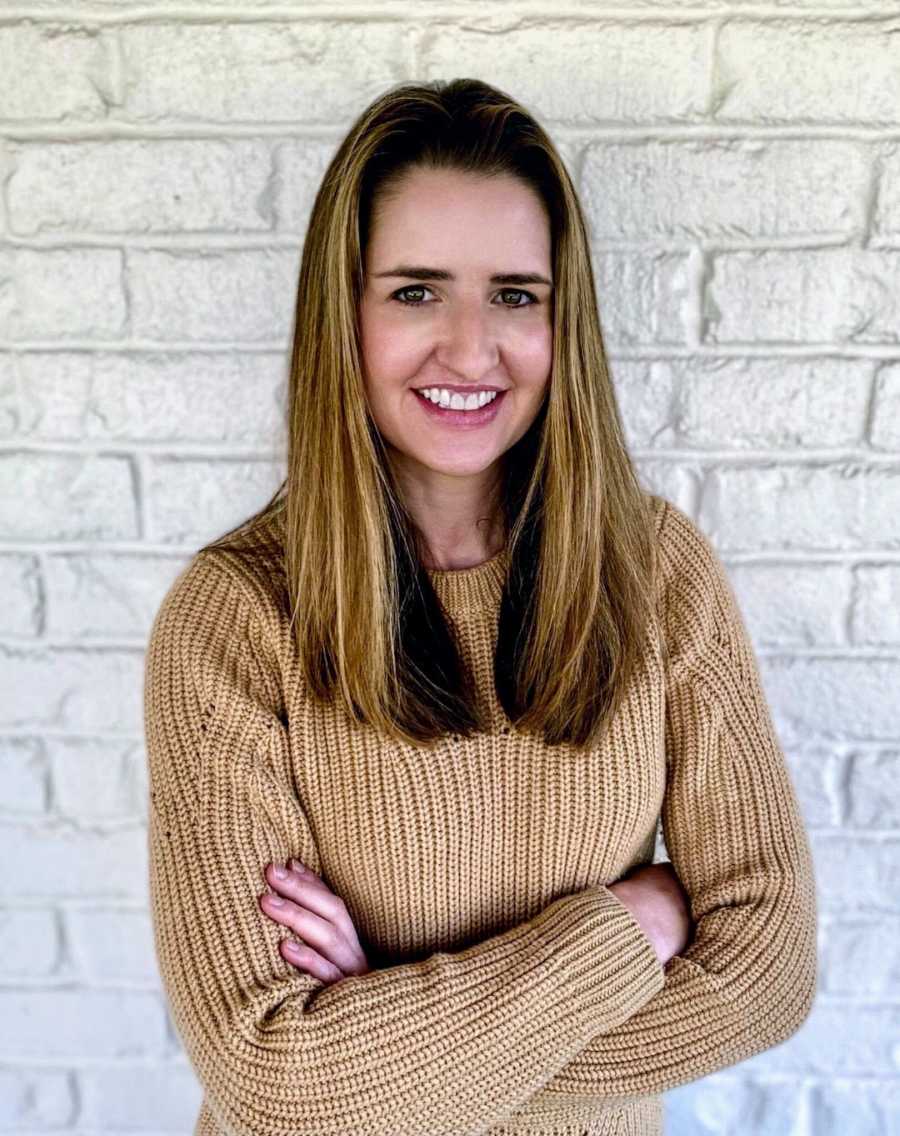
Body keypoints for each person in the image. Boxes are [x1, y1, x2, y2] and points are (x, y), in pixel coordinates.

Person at [143, 78, 818, 1136]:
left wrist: (385, 1032)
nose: (470, 347)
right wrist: (629, 925)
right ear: (345, 310)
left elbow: (768, 973)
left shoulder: (655, 573)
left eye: (515, 293)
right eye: (415, 291)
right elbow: (268, 1073)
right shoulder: (235, 616)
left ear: (562, 318)